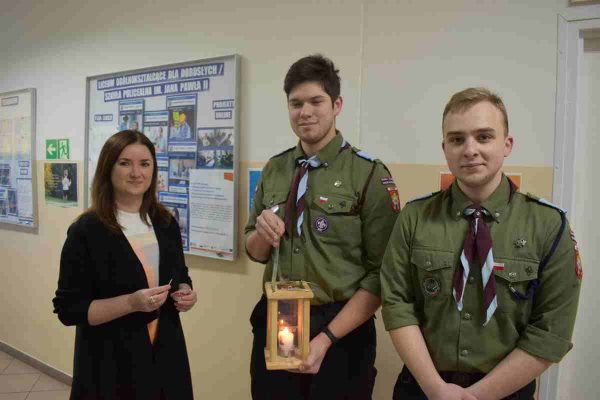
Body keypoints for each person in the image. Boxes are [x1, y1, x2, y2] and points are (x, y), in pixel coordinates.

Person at [380, 88, 582, 400]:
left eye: (484, 137)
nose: (470, 150)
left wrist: (477, 396)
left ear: (507, 144)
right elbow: (397, 305)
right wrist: (435, 389)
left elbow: (550, 330)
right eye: (457, 139)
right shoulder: (414, 217)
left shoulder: (548, 225)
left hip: (507, 389)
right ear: (445, 148)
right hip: (423, 387)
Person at [245, 54, 400, 400]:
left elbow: (382, 273)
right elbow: (254, 251)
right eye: (296, 103)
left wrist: (327, 338)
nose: (305, 112)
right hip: (280, 318)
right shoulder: (274, 169)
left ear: (336, 105)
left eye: (316, 101)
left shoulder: (369, 174)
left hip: (341, 330)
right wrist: (261, 234)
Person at [53, 130, 197, 400]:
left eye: (144, 164)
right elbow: (68, 309)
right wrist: (131, 303)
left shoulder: (165, 222)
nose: (136, 173)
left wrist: (186, 291)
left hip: (166, 357)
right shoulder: (87, 230)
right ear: (108, 168)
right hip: (110, 366)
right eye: (124, 163)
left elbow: (180, 274)